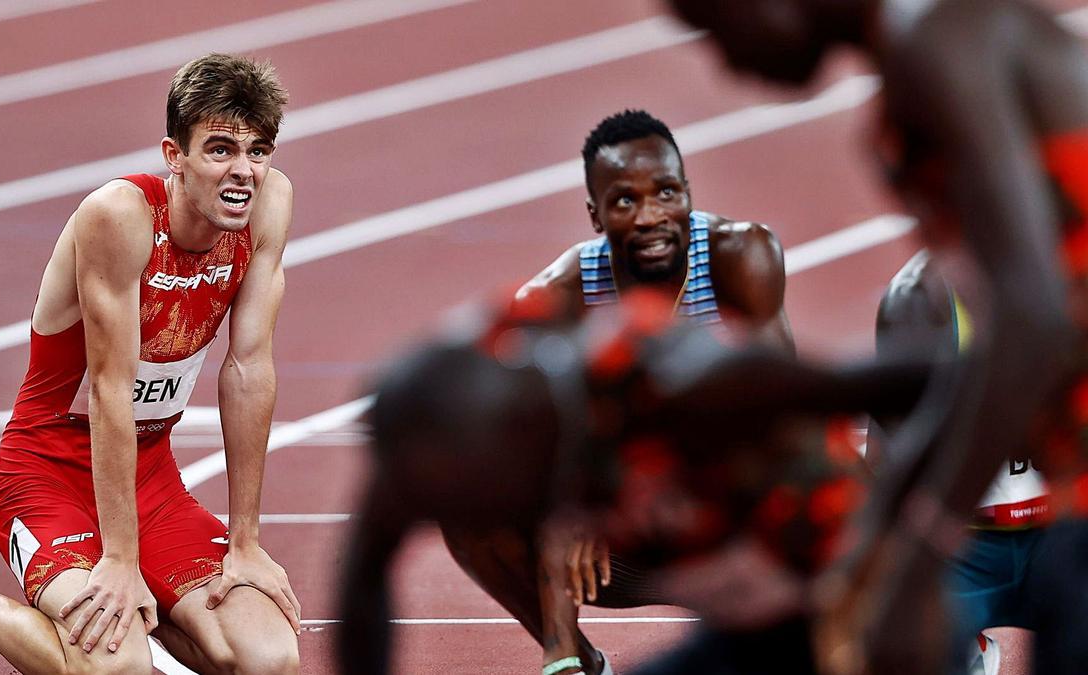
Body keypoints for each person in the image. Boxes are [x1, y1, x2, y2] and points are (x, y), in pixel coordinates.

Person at [662, 0, 1088, 672]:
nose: (726, 62)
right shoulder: (919, 67)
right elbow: (984, 344)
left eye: (715, 23)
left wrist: (921, 545)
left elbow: (1033, 315)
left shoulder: (936, 43)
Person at [0, 53, 301, 675]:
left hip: (151, 481)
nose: (243, 172)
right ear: (174, 155)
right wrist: (120, 558)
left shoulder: (270, 205)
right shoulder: (120, 217)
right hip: (46, 477)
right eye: (220, 149)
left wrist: (245, 541)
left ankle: (152, 629)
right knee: (117, 670)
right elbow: (110, 390)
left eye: (258, 150)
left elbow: (249, 368)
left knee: (268, 658)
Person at [338, 289, 931, 675]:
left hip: (863, 609)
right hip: (736, 629)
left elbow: (927, 380)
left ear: (527, 435)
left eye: (493, 500)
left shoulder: (682, 385)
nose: (483, 517)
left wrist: (939, 521)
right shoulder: (431, 432)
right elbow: (364, 574)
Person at [439, 108, 794, 675]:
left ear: (687, 193)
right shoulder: (566, 289)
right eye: (625, 201)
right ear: (596, 215)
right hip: (629, 536)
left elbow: (779, 414)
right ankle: (571, 662)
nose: (651, 215)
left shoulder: (739, 255)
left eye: (666, 193)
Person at [870, 251, 1047, 675]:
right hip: (965, 540)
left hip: (1055, 527)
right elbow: (900, 443)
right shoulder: (916, 297)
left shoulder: (1060, 276)